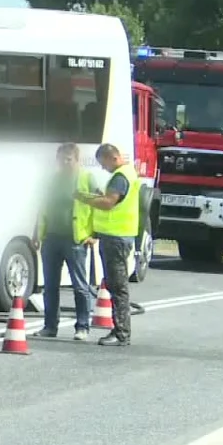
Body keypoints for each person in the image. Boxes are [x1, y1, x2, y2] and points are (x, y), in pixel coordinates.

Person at [75, 143, 141, 346]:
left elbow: (108, 203)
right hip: (118, 236)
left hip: (117, 238)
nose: (103, 168)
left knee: (117, 286)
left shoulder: (120, 177)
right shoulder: (128, 172)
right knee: (115, 285)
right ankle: (120, 330)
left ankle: (121, 333)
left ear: (112, 157)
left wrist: (83, 197)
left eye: (103, 163)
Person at [32, 143, 96, 341]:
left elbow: (99, 206)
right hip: (51, 237)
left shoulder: (86, 178)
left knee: (79, 285)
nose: (64, 163)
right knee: (50, 285)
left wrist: (94, 234)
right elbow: (42, 207)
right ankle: (50, 326)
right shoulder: (52, 179)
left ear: (77, 160)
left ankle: (82, 326)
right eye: (61, 159)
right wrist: (36, 233)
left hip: (75, 239)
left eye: (69, 159)